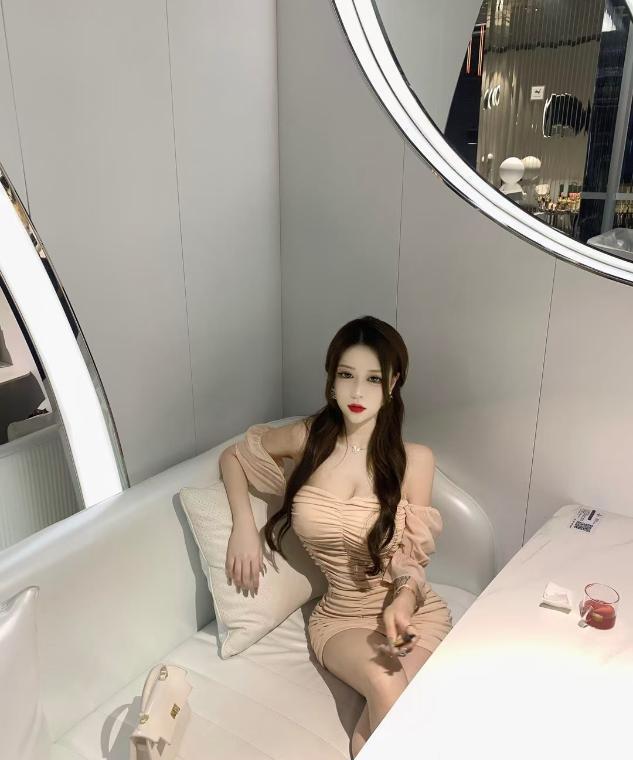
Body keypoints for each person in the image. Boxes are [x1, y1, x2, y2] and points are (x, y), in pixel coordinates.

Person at [219, 315, 452, 757]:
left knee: (379, 730)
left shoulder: (415, 461)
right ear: (331, 381)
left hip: (411, 613)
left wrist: (403, 601)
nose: (357, 392)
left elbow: (411, 557)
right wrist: (244, 526)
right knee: (386, 680)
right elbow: (234, 457)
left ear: (393, 383)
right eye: (347, 375)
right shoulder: (306, 438)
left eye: (373, 378)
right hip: (341, 618)